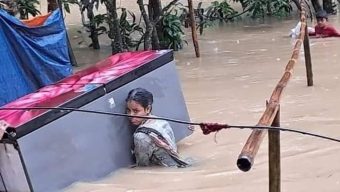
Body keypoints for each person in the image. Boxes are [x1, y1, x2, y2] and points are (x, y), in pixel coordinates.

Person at [126, 88, 189, 168]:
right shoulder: (162, 122)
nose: (130, 115)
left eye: (136, 111)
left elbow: (142, 167)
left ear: (148, 109)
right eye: (128, 110)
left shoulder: (140, 137)